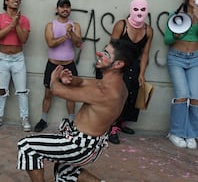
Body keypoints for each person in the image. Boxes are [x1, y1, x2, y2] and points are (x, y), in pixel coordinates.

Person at [17, 39, 136, 182]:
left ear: (118, 64)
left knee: (27, 147)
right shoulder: (117, 86)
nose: (99, 54)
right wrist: (70, 79)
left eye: (106, 54)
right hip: (89, 145)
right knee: (64, 171)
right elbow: (85, 82)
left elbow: (57, 91)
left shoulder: (104, 92)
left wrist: (54, 79)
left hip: (80, 146)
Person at [164, 0, 198, 149]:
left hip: (195, 59)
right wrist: (177, 34)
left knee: (195, 98)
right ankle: (176, 133)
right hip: (176, 58)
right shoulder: (175, 15)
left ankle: (191, 134)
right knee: (182, 95)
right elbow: (168, 40)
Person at [108, 0, 153, 144]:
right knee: (119, 96)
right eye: (136, 9)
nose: (139, 12)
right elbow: (112, 47)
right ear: (131, 9)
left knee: (132, 94)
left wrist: (142, 73)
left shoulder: (148, 30)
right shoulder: (121, 25)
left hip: (135, 65)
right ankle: (112, 127)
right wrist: (112, 68)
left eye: (142, 9)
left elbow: (145, 53)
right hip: (119, 64)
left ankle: (121, 123)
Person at [34, 0, 82, 132]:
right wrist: (65, 36)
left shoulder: (75, 25)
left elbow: (78, 44)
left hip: (69, 65)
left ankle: (72, 122)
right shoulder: (50, 25)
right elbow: (50, 43)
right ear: (57, 9)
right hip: (53, 65)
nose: (65, 9)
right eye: (62, 7)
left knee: (71, 95)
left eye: (67, 7)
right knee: (48, 94)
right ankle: (43, 120)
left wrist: (71, 33)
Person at [0, 0, 31, 132]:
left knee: (22, 90)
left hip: (18, 58)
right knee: (1, 89)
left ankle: (24, 118)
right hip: (3, 58)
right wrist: (11, 25)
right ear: (6, 1)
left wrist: (17, 24)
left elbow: (24, 39)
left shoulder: (24, 19)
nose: (16, 0)